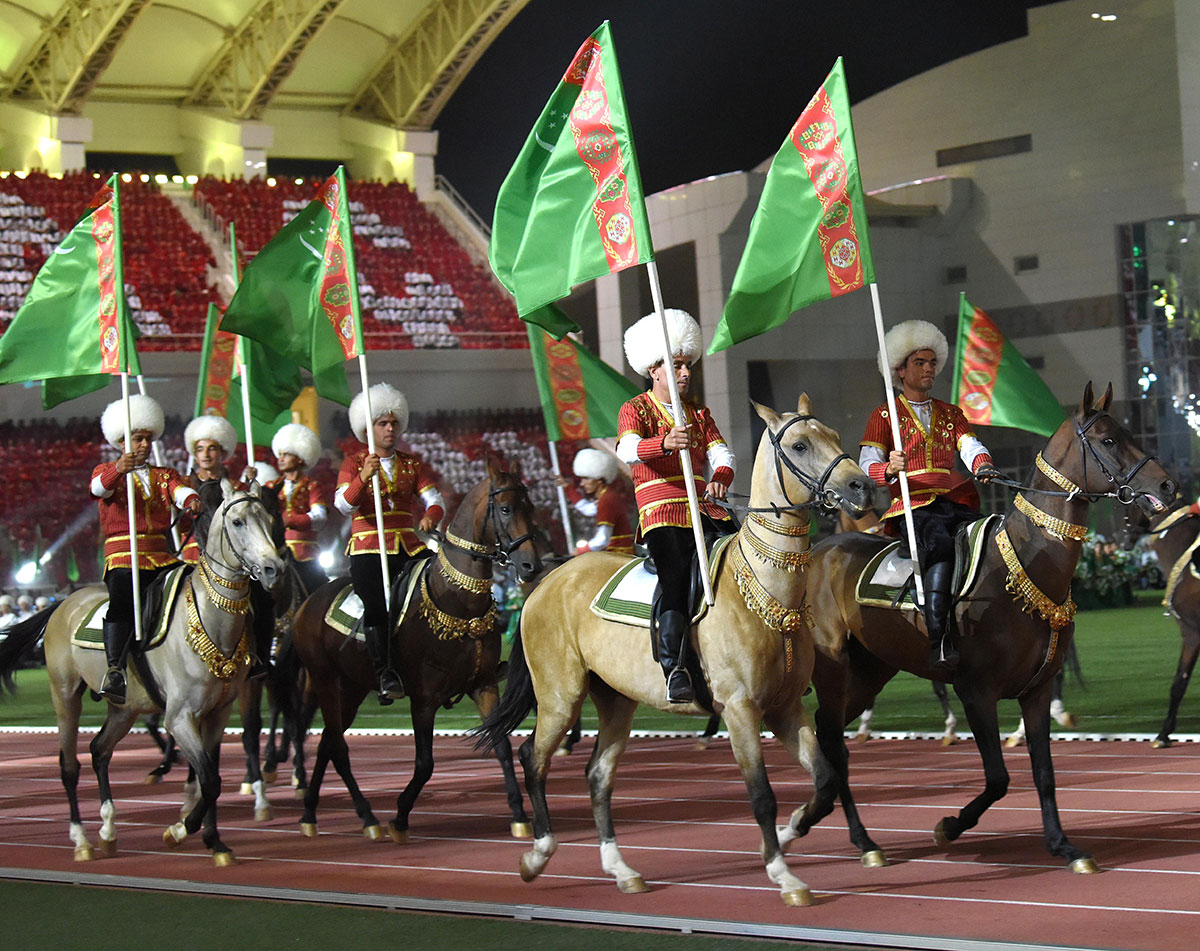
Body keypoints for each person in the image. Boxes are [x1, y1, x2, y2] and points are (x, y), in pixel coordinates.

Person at [859, 319, 999, 670]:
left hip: (956, 498)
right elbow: (866, 465)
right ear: (900, 370)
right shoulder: (884, 415)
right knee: (937, 546)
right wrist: (889, 468)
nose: (929, 368)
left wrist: (982, 464)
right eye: (919, 363)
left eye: (932, 362)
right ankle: (938, 638)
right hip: (913, 504)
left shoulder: (952, 413)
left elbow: (969, 444)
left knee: (990, 543)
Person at [616, 308, 735, 704]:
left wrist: (720, 479)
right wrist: (663, 443)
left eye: (687, 365)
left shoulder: (700, 415)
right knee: (675, 578)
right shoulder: (635, 408)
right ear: (655, 370)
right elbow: (627, 449)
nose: (685, 373)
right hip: (662, 514)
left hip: (706, 511)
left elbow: (722, 454)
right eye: (677, 365)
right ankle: (675, 668)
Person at [335, 383, 445, 703]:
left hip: (408, 544)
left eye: (394, 423)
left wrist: (431, 517)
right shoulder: (353, 463)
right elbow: (343, 505)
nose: (389, 429)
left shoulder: (412, 464)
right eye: (382, 423)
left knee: (443, 583)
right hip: (368, 546)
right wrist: (362, 478)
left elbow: (434, 500)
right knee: (375, 604)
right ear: (367, 428)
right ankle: (384, 670)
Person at [93, 395, 202, 702]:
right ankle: (115, 669)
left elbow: (178, 491)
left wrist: (191, 499)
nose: (143, 444)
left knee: (193, 586)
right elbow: (98, 488)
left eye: (147, 439)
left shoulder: (164, 474)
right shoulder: (106, 469)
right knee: (123, 602)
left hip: (162, 555)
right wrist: (117, 469)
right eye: (137, 438)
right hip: (124, 555)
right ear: (121, 440)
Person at [267, 423, 329, 597]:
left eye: (286, 454)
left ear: (300, 457)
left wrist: (290, 520)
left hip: (306, 555)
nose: (280, 459)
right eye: (280, 455)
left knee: (318, 594)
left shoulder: (312, 486)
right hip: (276, 554)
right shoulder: (271, 486)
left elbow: (320, 517)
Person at [566, 448, 635, 556]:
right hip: (619, 552)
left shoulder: (606, 500)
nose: (582, 484)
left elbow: (603, 538)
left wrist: (581, 550)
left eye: (586, 479)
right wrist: (568, 489)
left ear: (599, 480)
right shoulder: (607, 496)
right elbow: (588, 509)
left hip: (619, 554)